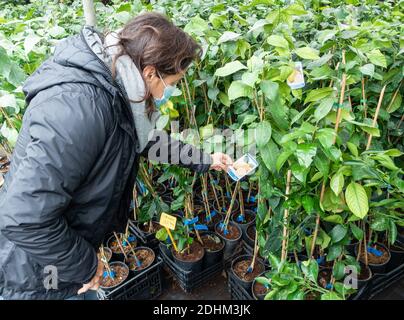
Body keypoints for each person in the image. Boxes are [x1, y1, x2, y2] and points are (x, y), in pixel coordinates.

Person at [0, 12, 232, 300]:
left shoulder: (113, 88)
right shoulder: (80, 110)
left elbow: (141, 139)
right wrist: (86, 266)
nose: (169, 92)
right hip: (37, 272)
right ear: (149, 73)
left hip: (62, 253)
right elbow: (26, 218)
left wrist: (205, 159)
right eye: (171, 83)